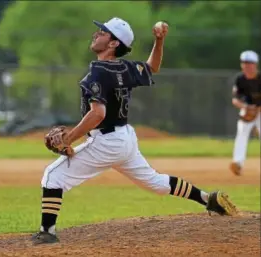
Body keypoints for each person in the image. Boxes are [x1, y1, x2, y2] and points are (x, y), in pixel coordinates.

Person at [32, 17, 237, 245]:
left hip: (107, 141)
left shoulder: (98, 71)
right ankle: (209, 199)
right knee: (157, 183)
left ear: (113, 44)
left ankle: (47, 232)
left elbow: (98, 114)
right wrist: (159, 41)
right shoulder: (126, 68)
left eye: (103, 32)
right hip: (125, 139)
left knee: (53, 176)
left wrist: (68, 139)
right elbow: (152, 67)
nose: (96, 34)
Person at [230, 50, 261, 176]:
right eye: (244, 63)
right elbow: (235, 100)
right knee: (241, 133)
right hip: (248, 109)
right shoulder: (240, 79)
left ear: (255, 65)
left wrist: (257, 110)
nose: (247, 65)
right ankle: (237, 163)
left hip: (260, 109)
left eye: (250, 63)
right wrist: (246, 107)